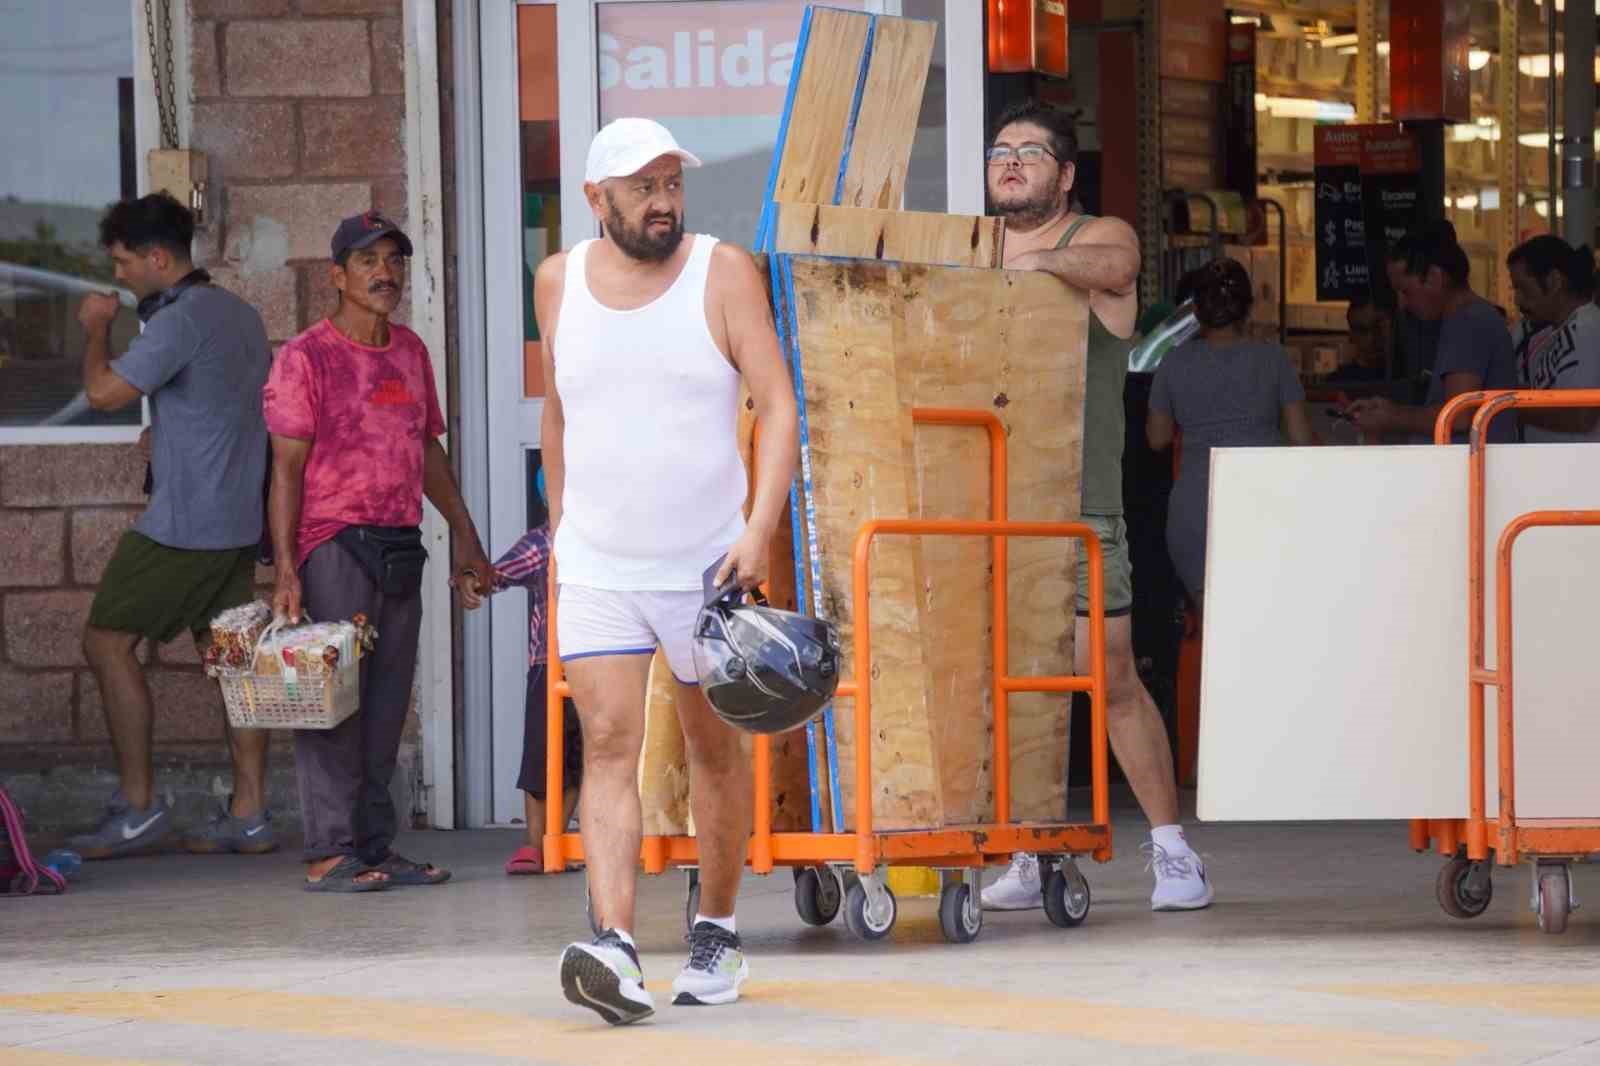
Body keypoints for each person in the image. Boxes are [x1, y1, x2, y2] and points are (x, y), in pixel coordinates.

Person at [538, 117, 798, 1024]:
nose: (663, 203)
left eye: (672, 185)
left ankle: (717, 933)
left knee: (711, 749)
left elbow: (779, 405)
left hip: (705, 568)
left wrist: (759, 530)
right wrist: (561, 526)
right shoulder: (558, 281)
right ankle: (614, 943)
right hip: (600, 564)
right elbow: (560, 417)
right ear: (595, 198)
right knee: (608, 747)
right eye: (643, 188)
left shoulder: (721, 271)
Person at [980, 100, 1213, 913]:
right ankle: (1026, 846)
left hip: (1083, 505)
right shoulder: (967, 249)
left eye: (1031, 154)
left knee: (1109, 676)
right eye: (1000, 152)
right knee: (1008, 684)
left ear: (1065, 174)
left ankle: (1175, 852)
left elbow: (1117, 266)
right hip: (981, 506)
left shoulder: (1096, 237)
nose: (1010, 164)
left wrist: (1033, 266)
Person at [263, 212, 491, 893]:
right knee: (334, 702)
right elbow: (286, 471)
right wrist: (286, 570)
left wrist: (467, 542)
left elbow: (427, 451)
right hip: (333, 544)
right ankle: (330, 850)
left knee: (387, 702)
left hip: (399, 544)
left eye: (392, 259)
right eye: (367, 262)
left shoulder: (410, 353)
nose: (383, 273)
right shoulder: (307, 356)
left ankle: (374, 847)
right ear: (337, 276)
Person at [67, 193, 277, 860]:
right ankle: (249, 816)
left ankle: (136, 807)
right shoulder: (239, 314)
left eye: (125, 262)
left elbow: (103, 395)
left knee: (105, 643)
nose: (120, 276)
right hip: (237, 519)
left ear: (159, 258)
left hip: (184, 526)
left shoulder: (182, 319)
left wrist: (98, 327)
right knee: (234, 666)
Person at [1146, 258, 1315, 609]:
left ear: (1195, 309)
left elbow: (1157, 438)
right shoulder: (1274, 358)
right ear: (1248, 306)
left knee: (1212, 617)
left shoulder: (1173, 362)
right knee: (1264, 610)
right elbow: (1301, 437)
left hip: (1196, 506)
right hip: (1265, 500)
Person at [464, 469, 584, 875]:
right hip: (548, 667)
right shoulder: (543, 542)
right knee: (540, 758)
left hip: (596, 663)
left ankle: (556, 840)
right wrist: (473, 580)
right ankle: (536, 843)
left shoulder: (604, 543)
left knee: (580, 758)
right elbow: (498, 573)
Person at [1349, 222, 1518, 443]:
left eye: (1405, 291)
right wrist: (1388, 410)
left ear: (1435, 277)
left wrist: (1391, 416)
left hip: (1471, 471)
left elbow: (1459, 416)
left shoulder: (1469, 323)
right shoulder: (1463, 320)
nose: (1402, 304)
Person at [1506, 236, 1600, 443]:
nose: (1517, 299)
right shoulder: (1553, 332)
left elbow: (1582, 416)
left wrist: (1506, 406)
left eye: (1522, 288)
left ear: (1554, 281)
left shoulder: (1585, 329)